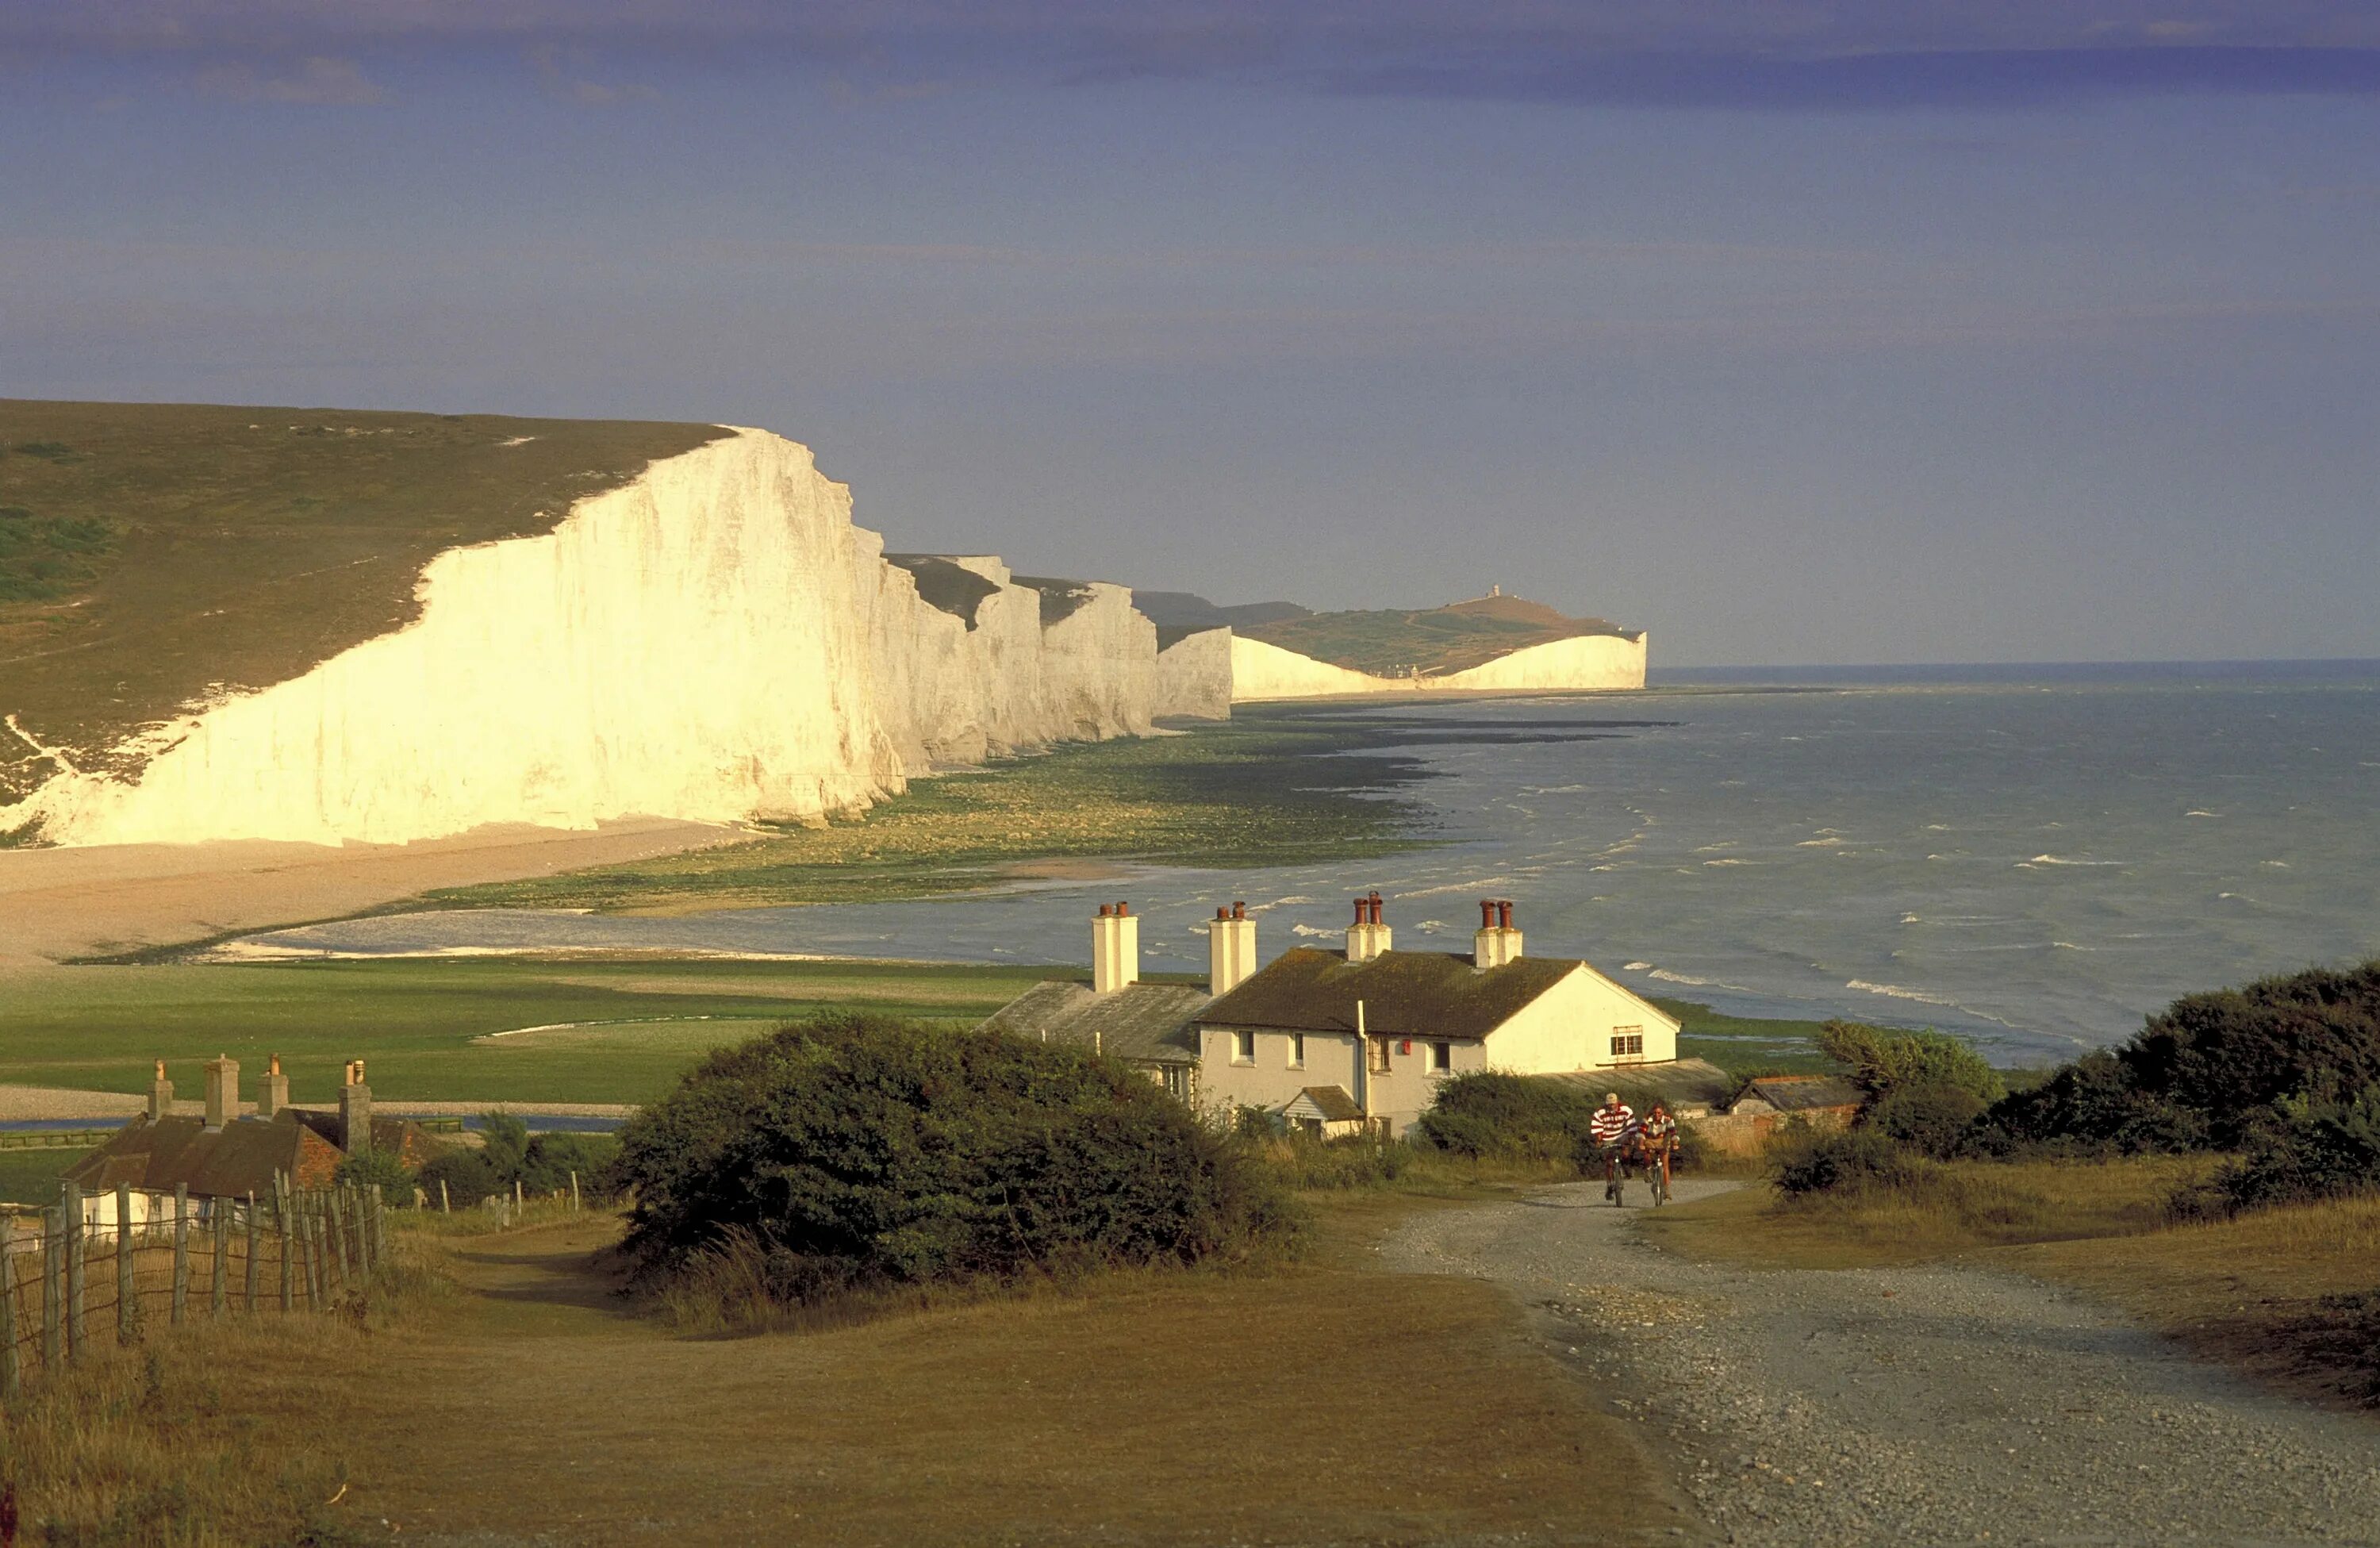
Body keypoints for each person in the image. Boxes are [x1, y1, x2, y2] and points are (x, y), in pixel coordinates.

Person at [1589, 1092, 1636, 1200]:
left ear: (1617, 1102)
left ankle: (1627, 1168)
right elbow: (1597, 1126)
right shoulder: (1600, 1112)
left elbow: (1631, 1124)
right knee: (1609, 1162)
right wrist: (1599, 1139)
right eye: (1609, 1104)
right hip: (1608, 1136)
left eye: (1613, 1104)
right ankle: (1610, 1184)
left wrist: (1631, 1137)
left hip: (1622, 1134)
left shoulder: (1625, 1110)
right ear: (1606, 1104)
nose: (1611, 1106)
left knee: (1625, 1152)